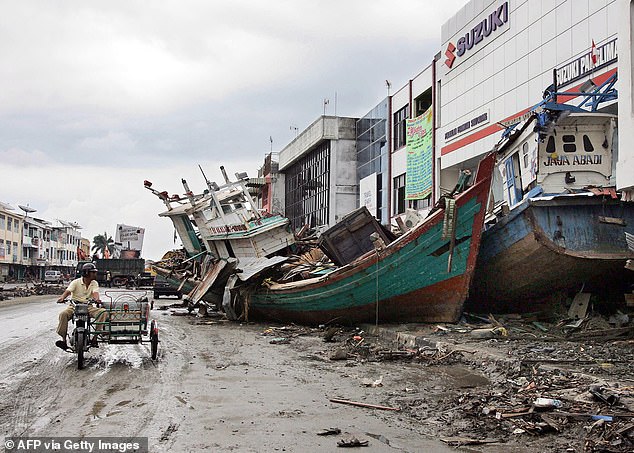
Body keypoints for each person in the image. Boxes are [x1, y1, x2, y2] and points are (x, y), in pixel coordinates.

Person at [55, 262, 108, 351]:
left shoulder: (94, 283)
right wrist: (62, 298)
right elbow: (68, 291)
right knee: (63, 314)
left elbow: (95, 293)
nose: (95, 274)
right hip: (74, 306)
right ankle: (63, 340)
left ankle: (95, 338)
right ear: (86, 273)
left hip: (88, 307)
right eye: (93, 272)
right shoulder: (75, 282)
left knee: (103, 312)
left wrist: (97, 299)